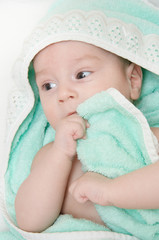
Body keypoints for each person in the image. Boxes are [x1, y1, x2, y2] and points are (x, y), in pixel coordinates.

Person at [15, 39, 159, 235]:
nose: (63, 94)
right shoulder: (51, 156)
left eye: (81, 75)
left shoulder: (145, 135)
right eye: (48, 85)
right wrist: (60, 153)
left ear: (132, 80)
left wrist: (110, 191)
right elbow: (29, 221)